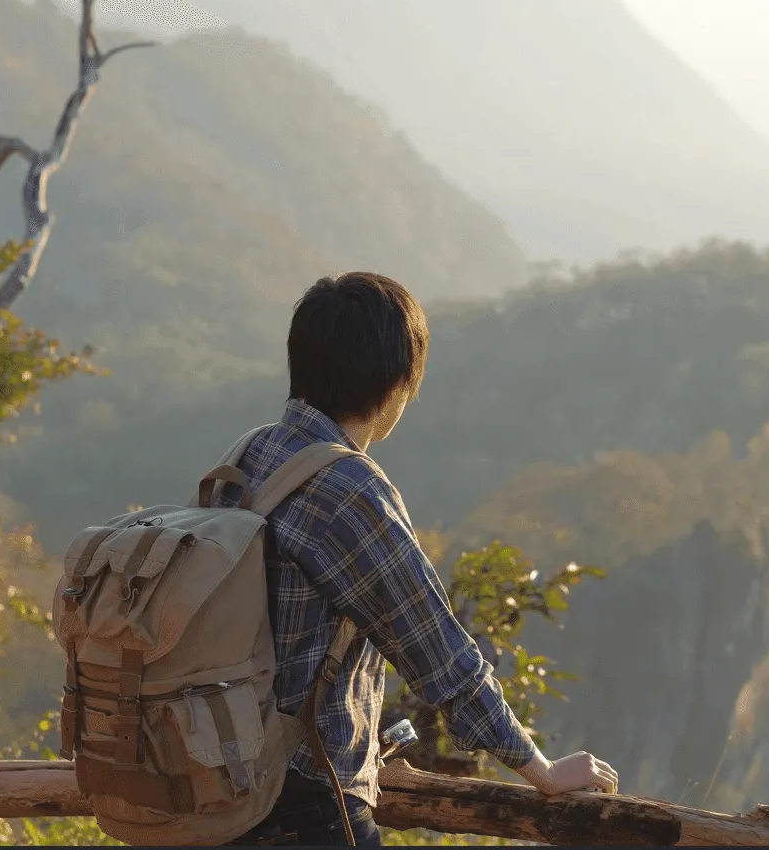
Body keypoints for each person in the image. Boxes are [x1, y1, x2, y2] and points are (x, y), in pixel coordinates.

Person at [224, 272, 618, 847]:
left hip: (222, 776)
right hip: (302, 806)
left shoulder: (251, 452)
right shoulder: (347, 489)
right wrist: (542, 770)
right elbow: (438, 652)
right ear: (394, 385)